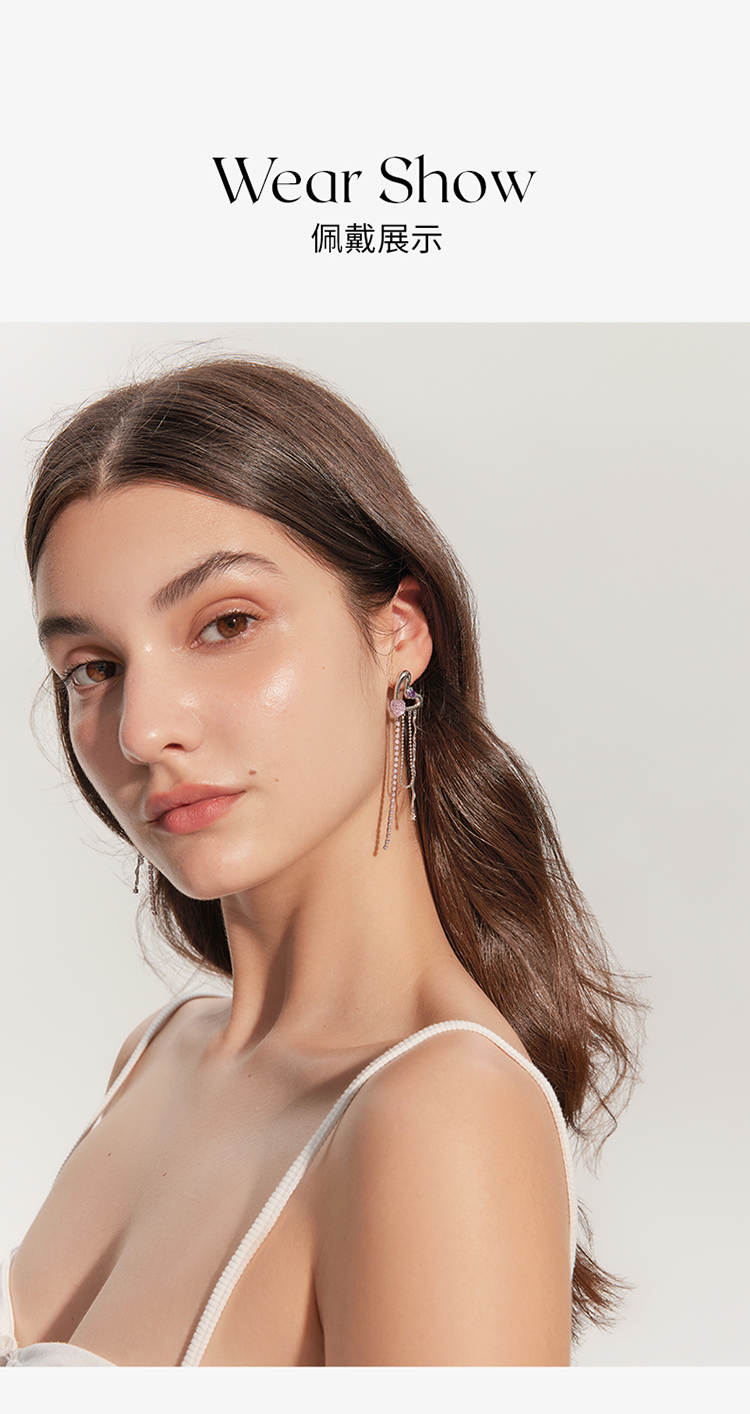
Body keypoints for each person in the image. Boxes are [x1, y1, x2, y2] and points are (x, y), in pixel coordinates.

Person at [1, 357, 640, 1367]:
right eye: (94, 668)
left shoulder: (441, 1116)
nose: (143, 729)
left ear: (399, 632)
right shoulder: (160, 1053)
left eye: (227, 624)